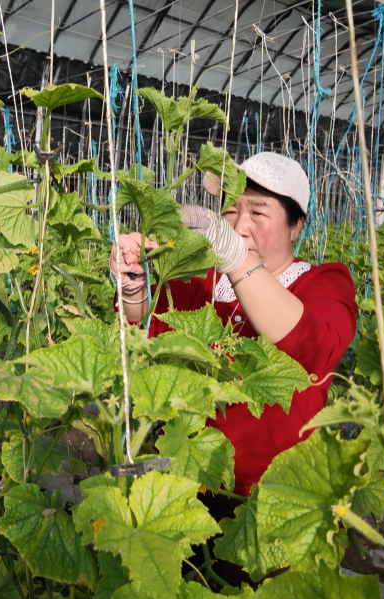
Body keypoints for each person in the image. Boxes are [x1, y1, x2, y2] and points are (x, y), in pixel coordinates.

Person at [108, 152, 358, 498]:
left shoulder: (323, 282)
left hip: (277, 497)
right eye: (231, 211)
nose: (240, 227)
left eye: (257, 212)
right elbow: (147, 324)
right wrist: (133, 284)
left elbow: (315, 347)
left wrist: (238, 260)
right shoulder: (204, 282)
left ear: (296, 225)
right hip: (191, 483)